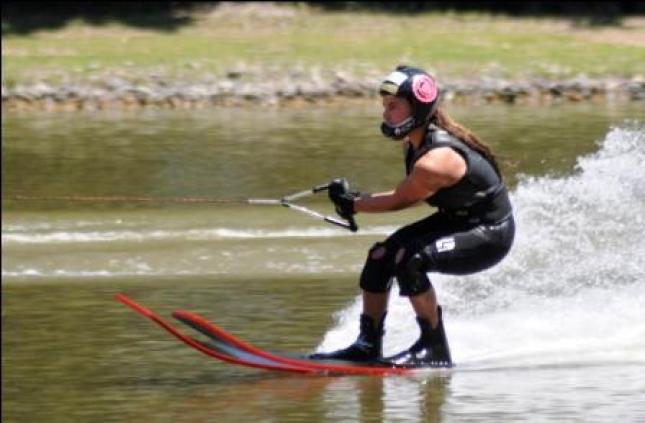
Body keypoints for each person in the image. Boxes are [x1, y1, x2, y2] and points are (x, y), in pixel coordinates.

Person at [311, 65, 515, 367]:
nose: (386, 113)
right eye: (384, 106)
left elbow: (400, 200)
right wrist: (354, 201)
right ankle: (367, 345)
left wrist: (352, 203)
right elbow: (415, 194)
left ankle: (434, 348)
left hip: (490, 234)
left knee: (410, 260)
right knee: (381, 256)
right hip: (456, 219)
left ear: (417, 107)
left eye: (393, 106)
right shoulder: (414, 142)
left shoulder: (436, 160)